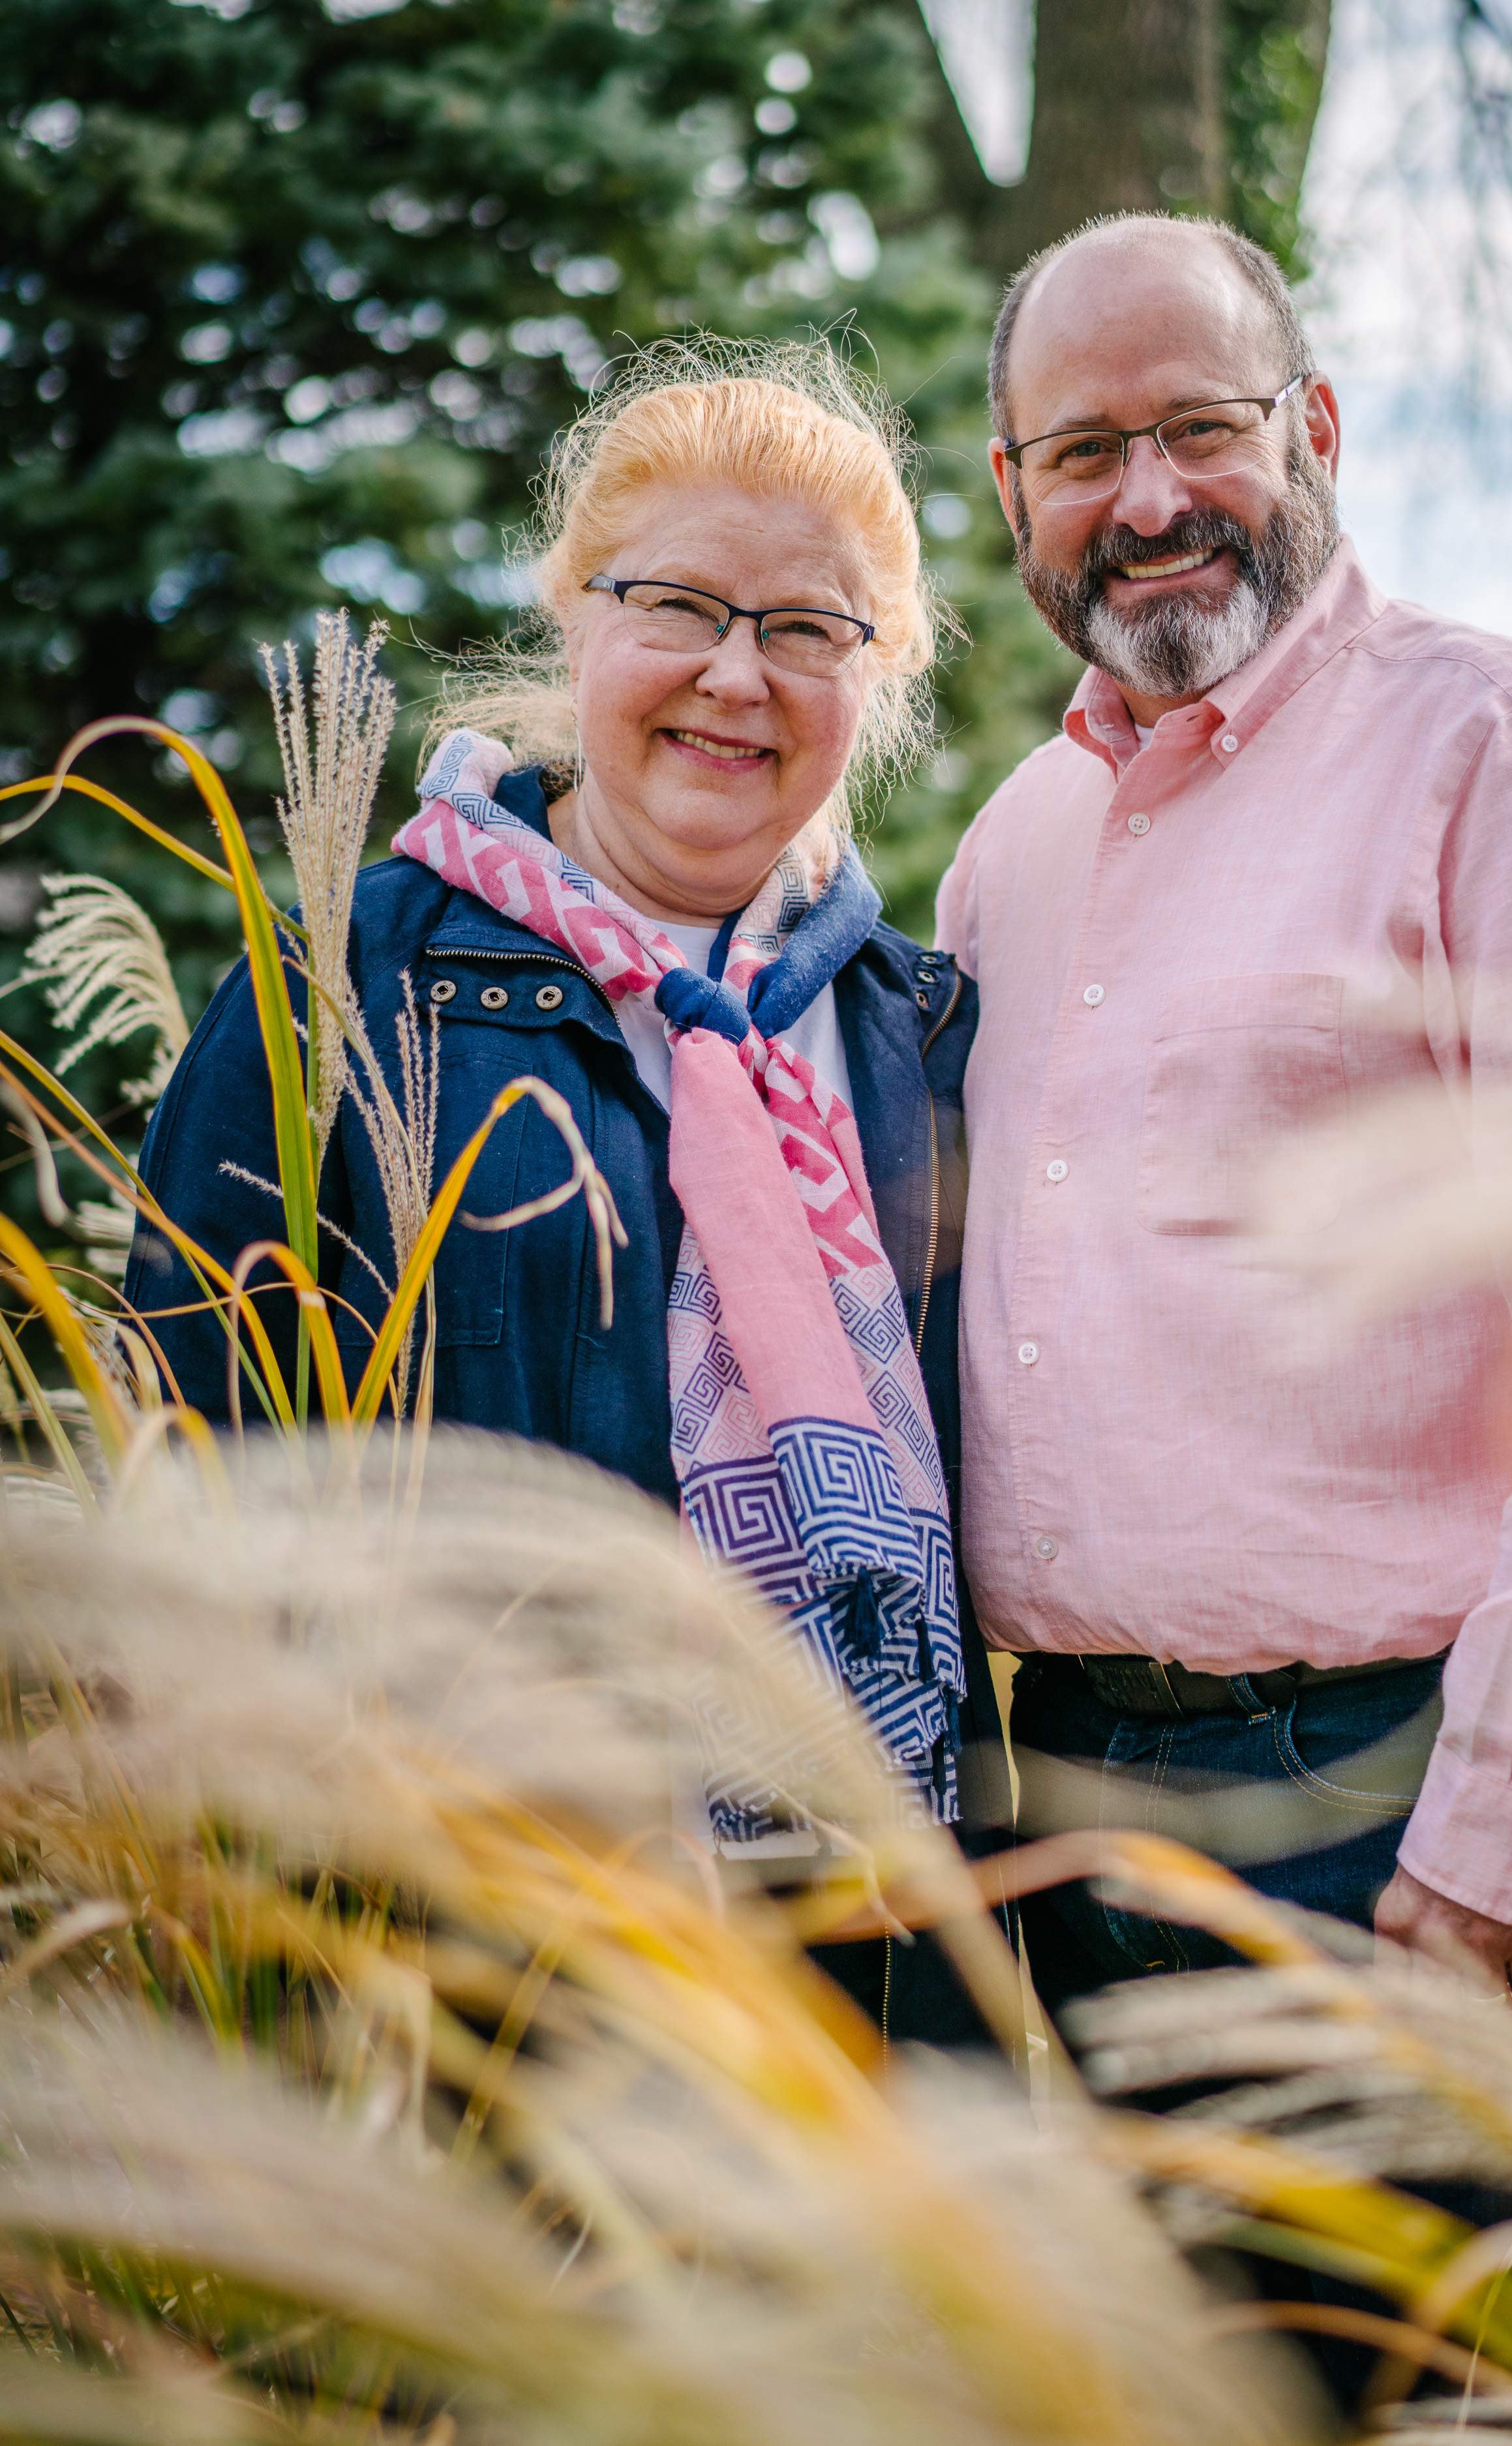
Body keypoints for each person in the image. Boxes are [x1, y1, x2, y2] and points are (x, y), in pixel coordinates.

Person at [935, 212, 1512, 2176]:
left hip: (1398, 1807)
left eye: (1202, 428)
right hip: (1077, 1801)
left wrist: (1505, 1830)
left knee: (1484, 2345)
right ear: (1015, 492)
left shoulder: (1509, 754)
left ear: (1313, 427)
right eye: (1086, 450)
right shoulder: (1014, 846)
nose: (1151, 500)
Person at [129, 340, 1001, 2044]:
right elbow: (191, 1457)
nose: (736, 676)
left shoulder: (918, 1032)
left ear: (876, 673)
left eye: (807, 629)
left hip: (871, 1970)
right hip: (472, 1975)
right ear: (576, 615)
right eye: (678, 605)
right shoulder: (353, 982)